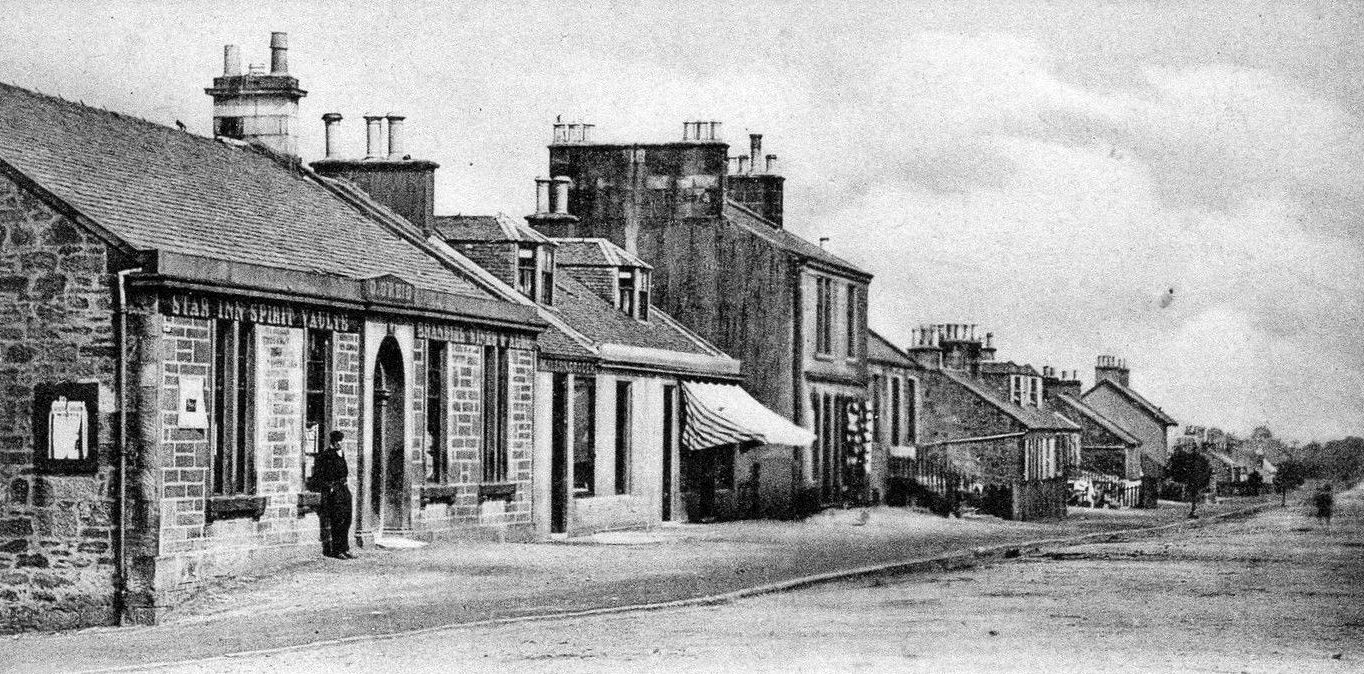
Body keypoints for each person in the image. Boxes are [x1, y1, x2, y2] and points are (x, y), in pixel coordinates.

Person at [314, 430, 354, 559]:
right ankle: (337, 551)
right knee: (337, 521)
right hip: (334, 491)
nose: (340, 444)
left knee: (347, 519)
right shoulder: (325, 455)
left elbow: (345, 472)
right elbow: (319, 476)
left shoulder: (341, 454)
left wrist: (340, 456)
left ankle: (345, 548)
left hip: (343, 489)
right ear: (333, 442)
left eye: (341, 441)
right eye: (337, 441)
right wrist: (329, 487)